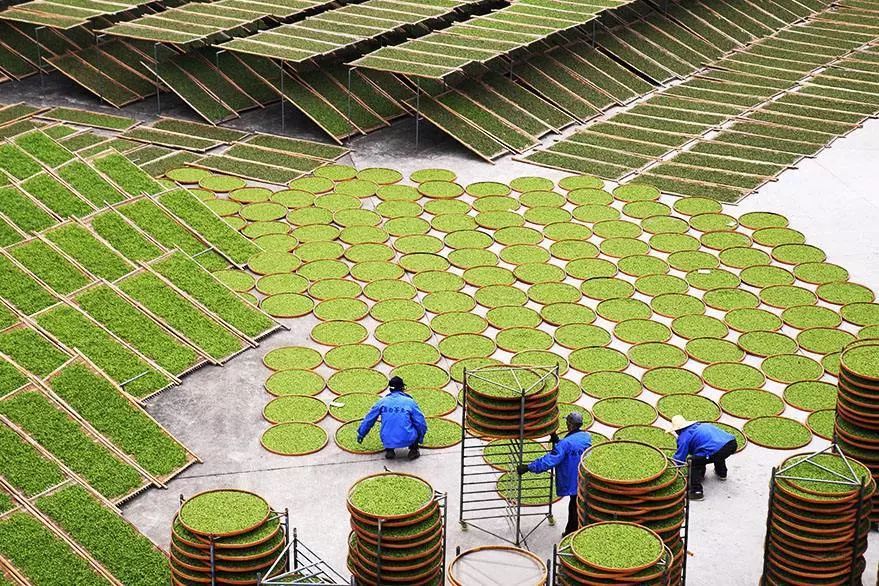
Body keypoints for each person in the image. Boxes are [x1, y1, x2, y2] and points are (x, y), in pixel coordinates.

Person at [516, 412, 592, 536]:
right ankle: (576, 530)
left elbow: (549, 461)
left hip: (572, 480)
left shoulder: (565, 444)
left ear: (570, 425)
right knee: (579, 504)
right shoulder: (586, 437)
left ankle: (571, 533)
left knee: (574, 507)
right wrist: (557, 441)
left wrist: (528, 467)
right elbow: (572, 447)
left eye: (567, 422)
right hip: (584, 477)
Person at [357, 376, 428, 461]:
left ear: (390, 389)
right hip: (408, 438)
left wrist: (361, 433)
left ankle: (389, 450)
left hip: (387, 439)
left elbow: (369, 419)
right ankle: (413, 450)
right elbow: (420, 422)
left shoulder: (382, 402)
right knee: (415, 422)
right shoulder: (409, 402)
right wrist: (420, 437)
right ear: (402, 388)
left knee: (388, 427)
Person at [671, 415, 737, 501]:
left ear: (677, 430)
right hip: (731, 443)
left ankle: (696, 491)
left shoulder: (684, 437)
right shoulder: (702, 425)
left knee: (693, 461)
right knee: (713, 452)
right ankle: (722, 473)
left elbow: (679, 458)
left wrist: (672, 470)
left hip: (717, 451)